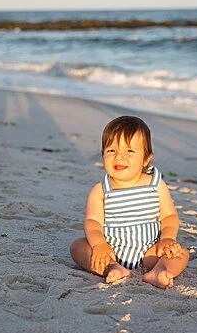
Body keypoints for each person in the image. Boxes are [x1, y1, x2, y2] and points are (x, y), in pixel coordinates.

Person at [69, 115, 190, 289]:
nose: (119, 157)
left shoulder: (155, 185)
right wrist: (99, 245)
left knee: (181, 253)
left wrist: (167, 239)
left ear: (146, 159)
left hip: (150, 251)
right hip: (111, 250)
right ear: (103, 154)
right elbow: (92, 221)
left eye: (129, 151)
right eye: (111, 151)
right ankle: (113, 268)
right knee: (78, 247)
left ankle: (160, 270)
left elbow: (169, 216)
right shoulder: (101, 190)